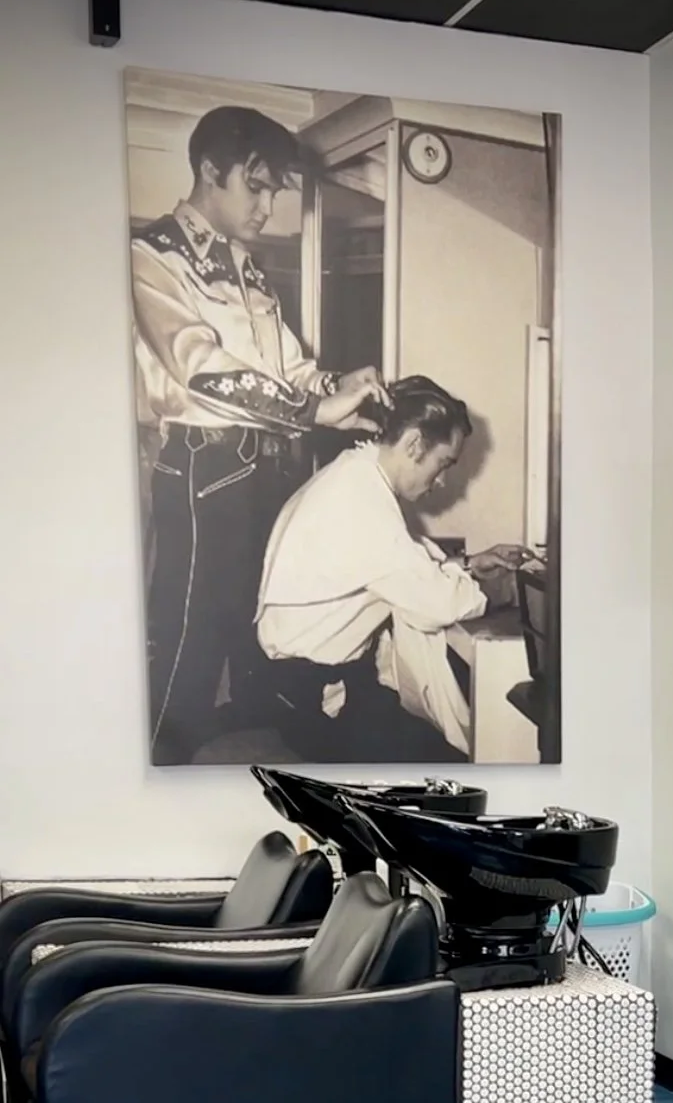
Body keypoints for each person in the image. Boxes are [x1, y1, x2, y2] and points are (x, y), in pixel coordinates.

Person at [131, 104, 389, 764]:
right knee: (189, 635)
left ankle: (240, 763)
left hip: (263, 471)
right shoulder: (152, 257)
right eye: (258, 184)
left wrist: (336, 387)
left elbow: (288, 366)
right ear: (211, 169)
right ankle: (160, 769)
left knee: (253, 626)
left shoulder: (245, 265)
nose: (268, 204)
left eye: (275, 188)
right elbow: (202, 371)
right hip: (202, 469)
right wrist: (310, 413)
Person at [256, 376, 488, 762]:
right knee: (451, 763)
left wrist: (468, 565)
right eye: (443, 463)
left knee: (438, 734)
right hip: (309, 699)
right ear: (414, 444)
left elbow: (404, 560)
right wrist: (501, 590)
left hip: (307, 683)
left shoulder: (355, 472)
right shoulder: (362, 501)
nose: (443, 480)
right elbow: (440, 605)